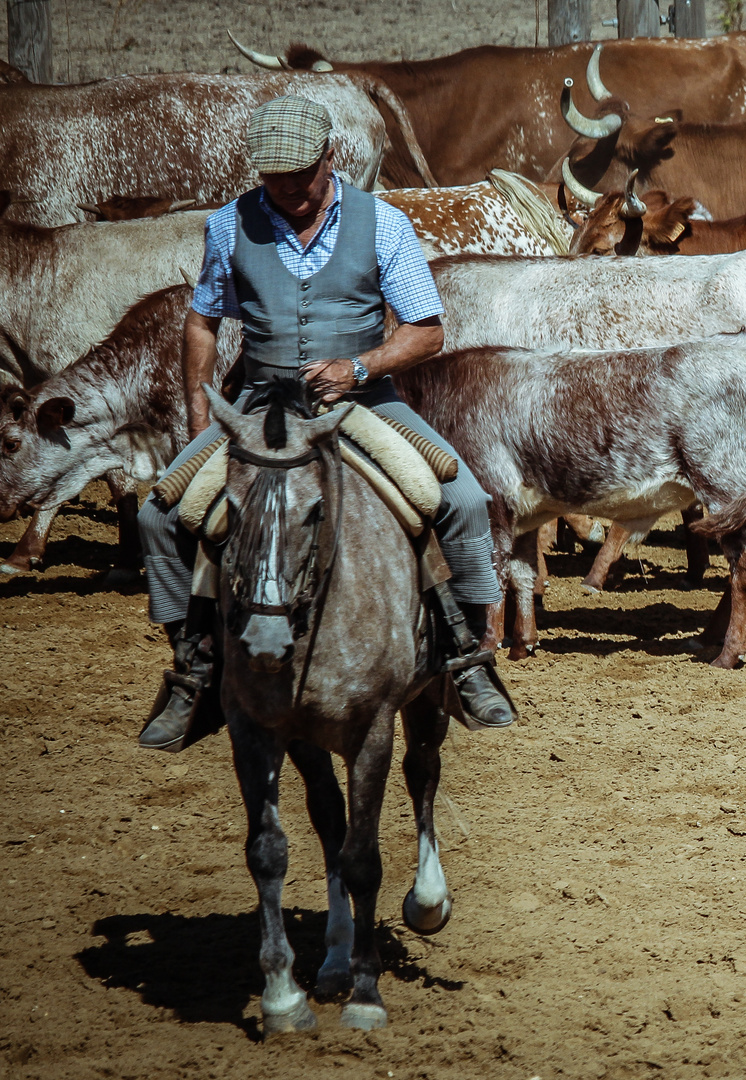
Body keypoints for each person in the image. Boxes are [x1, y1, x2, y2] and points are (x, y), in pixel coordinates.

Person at [135, 95, 514, 751]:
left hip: (363, 404)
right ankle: (194, 672)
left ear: (329, 158)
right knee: (159, 516)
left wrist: (360, 368)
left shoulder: (385, 224)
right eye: (273, 179)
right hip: (258, 409)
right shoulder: (229, 227)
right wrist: (202, 421)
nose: (287, 191)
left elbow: (425, 331)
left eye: (300, 177)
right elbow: (203, 321)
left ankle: (466, 657)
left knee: (463, 500)